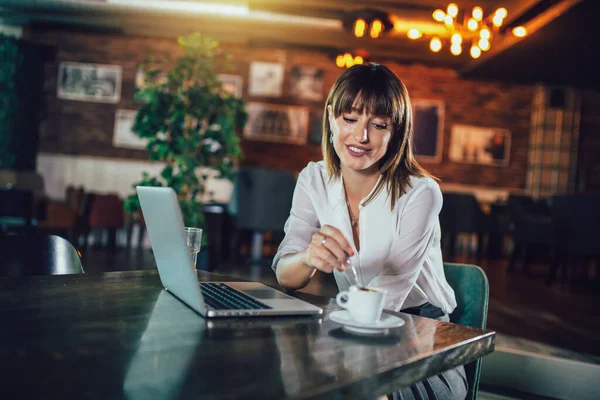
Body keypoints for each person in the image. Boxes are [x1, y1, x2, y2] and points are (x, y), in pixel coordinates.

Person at [271, 63, 467, 400]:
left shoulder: (420, 193)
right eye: (350, 120)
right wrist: (308, 256)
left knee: (360, 390)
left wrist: (328, 350)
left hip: (423, 334)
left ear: (397, 132)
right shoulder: (313, 179)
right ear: (332, 117)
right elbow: (287, 276)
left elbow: (387, 298)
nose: (361, 137)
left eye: (378, 125)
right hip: (352, 325)